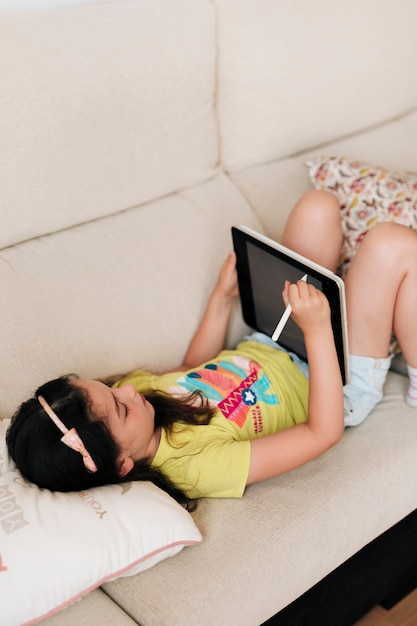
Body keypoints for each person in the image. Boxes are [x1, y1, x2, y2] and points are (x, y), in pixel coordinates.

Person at [6, 190, 417, 510]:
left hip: (274, 337)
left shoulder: (136, 402)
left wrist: (221, 298)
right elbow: (320, 433)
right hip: (334, 385)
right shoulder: (195, 467)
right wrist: (316, 332)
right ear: (122, 465)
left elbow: (189, 366)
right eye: (122, 407)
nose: (131, 390)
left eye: (111, 389)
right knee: (391, 243)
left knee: (317, 207)